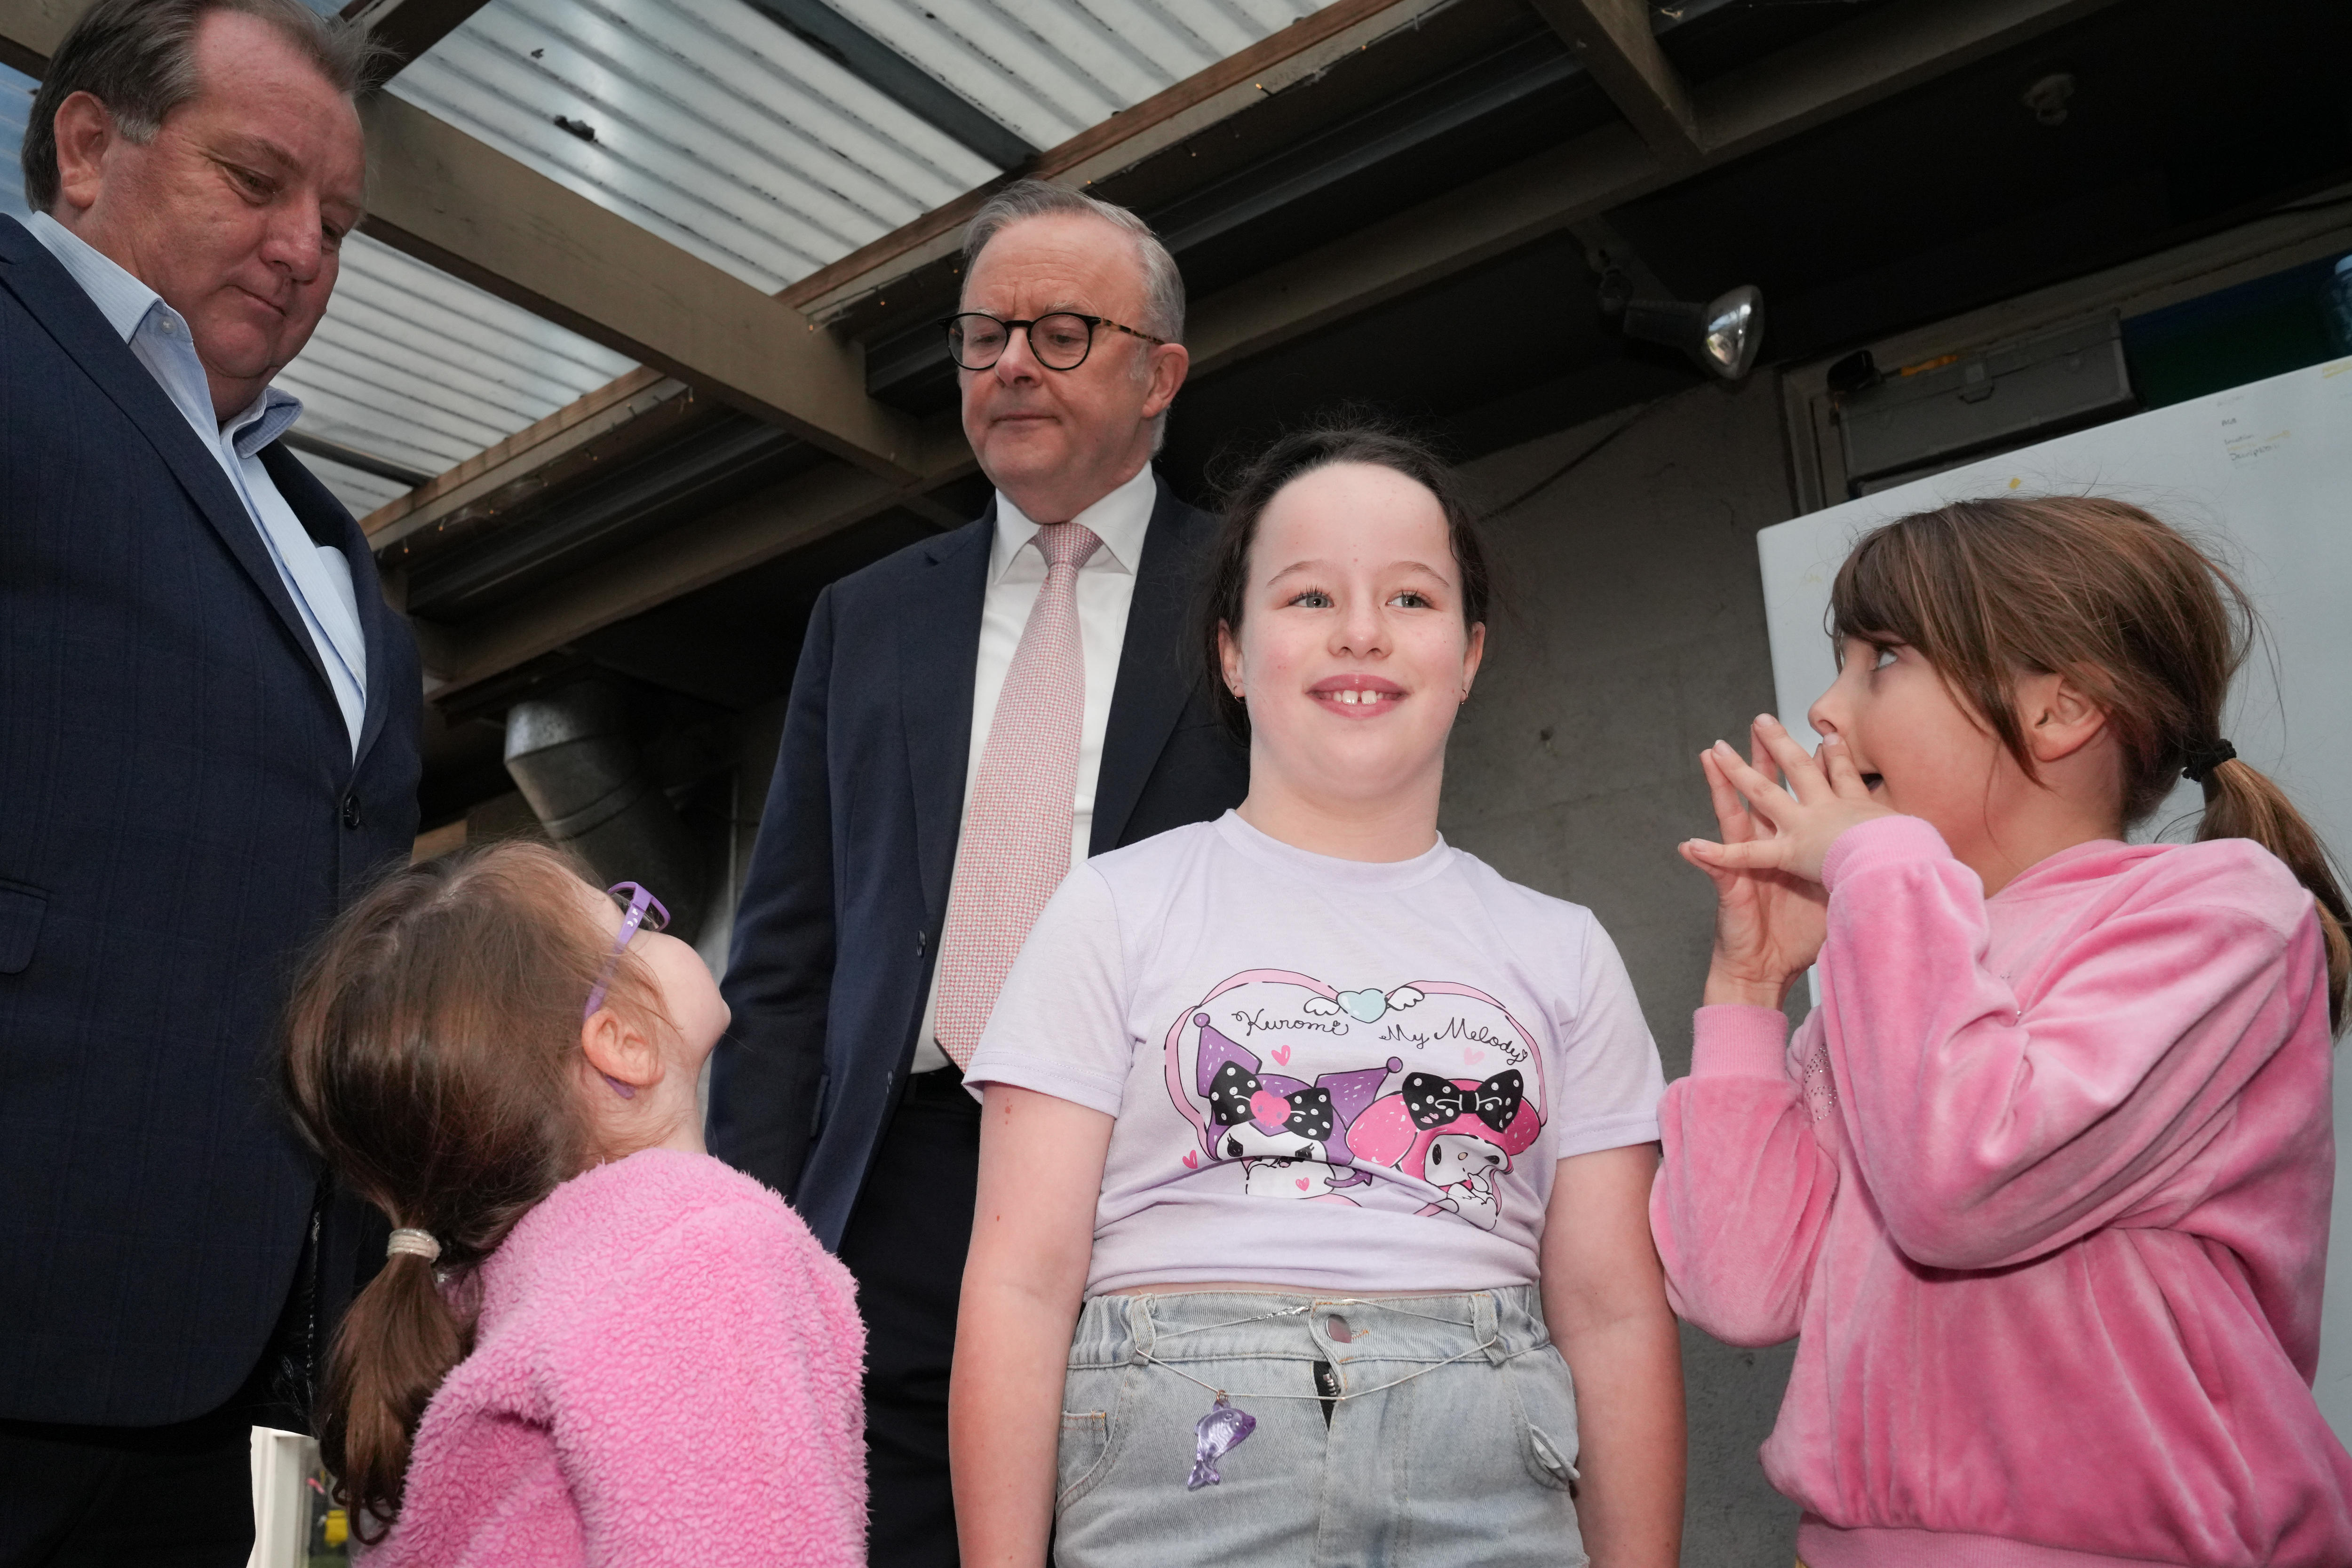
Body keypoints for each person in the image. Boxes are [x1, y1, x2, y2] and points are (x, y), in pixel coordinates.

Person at [953, 426, 1686, 1568]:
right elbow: (1018, 1281)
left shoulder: (1567, 950)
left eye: (1410, 595)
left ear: (1470, 653)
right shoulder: (1108, 908)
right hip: (1173, 1460)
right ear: (1233, 651)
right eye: (1307, 597)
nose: (1361, 630)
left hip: (1492, 1459)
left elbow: (1612, 1312)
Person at [1654, 496, 2352, 1567]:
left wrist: (1882, 871)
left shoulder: (2226, 911)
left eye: (1880, 658)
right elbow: (1740, 1289)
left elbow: (1962, 1186)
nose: (1827, 709)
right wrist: (1748, 984)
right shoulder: (1896, 956)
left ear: (2062, 708)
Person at [713, 180, 1249, 1565]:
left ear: (1159, 375)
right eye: (982, 334)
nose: (1010, 362)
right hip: (892, 1190)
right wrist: (754, 1226)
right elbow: (788, 950)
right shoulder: (865, 617)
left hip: (1161, 1185)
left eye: (1062, 332)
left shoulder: (1254, 594)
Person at [0, 0, 421, 1560]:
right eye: (257, 180)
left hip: (265, 1358)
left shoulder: (322, 529)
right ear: (90, 145)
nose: (303, 245)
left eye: (337, 219)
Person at [280, 843, 867, 1566]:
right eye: (628, 917)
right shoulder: (703, 1265)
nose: (648, 917)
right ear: (622, 1043)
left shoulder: (489, 1294)